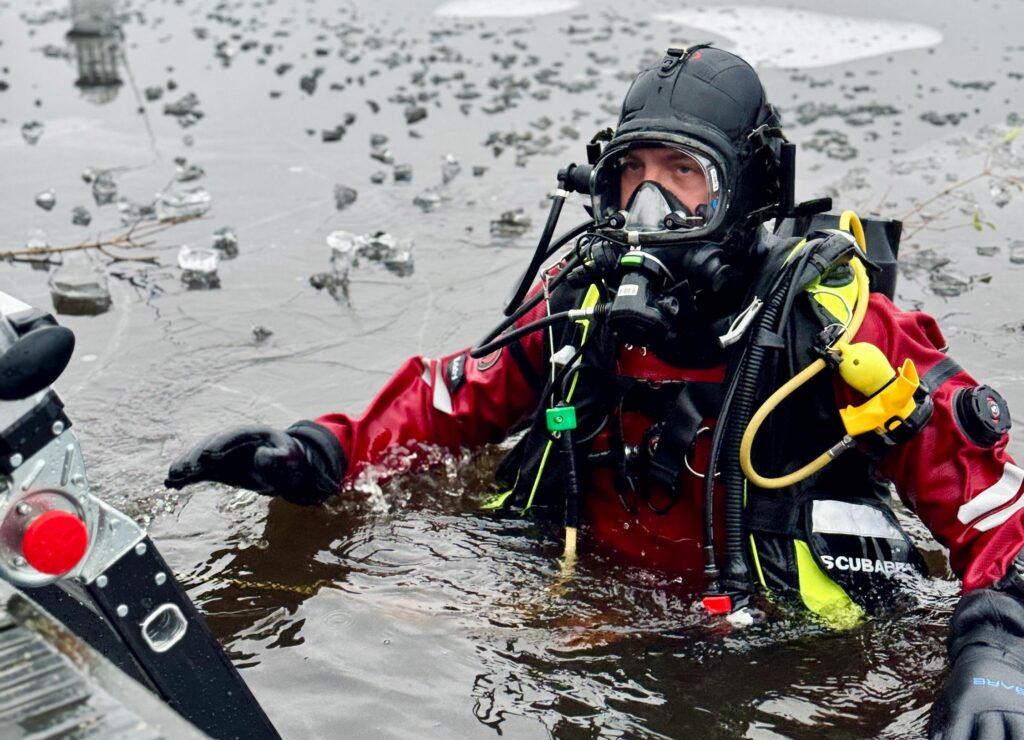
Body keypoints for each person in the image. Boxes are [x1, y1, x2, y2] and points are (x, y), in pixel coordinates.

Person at [166, 46, 1024, 738]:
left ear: (751, 192)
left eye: (683, 174)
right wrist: (323, 452)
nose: (650, 205)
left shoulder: (840, 335)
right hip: (585, 622)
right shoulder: (577, 306)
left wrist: (996, 659)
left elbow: (1000, 519)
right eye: (630, 174)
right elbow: (443, 409)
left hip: (780, 655)